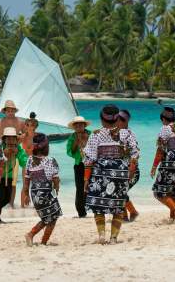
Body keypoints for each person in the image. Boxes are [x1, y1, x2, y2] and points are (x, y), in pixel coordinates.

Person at [83, 104, 138, 244]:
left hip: (100, 174)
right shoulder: (128, 133)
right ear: (117, 119)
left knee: (98, 206)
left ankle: (101, 234)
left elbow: (89, 160)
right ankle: (113, 238)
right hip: (120, 173)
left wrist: (85, 181)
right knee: (118, 207)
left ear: (102, 120)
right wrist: (130, 174)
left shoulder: (95, 134)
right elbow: (135, 155)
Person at [22, 133, 62, 246]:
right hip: (46, 193)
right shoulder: (51, 160)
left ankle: (32, 235)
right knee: (52, 218)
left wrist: (26, 195)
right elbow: (56, 180)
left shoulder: (30, 160)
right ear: (46, 147)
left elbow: (26, 181)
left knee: (46, 218)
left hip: (34, 194)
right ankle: (38, 239)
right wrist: (57, 189)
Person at [0, 127, 27, 224]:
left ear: (16, 139)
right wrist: (4, 154)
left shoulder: (18, 148)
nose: (11, 140)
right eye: (8, 138)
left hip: (9, 176)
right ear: (4, 139)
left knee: (7, 198)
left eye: (13, 138)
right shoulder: (0, 147)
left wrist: (18, 153)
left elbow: (23, 161)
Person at [116, 109, 140, 222]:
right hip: (123, 171)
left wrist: (131, 171)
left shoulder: (129, 134)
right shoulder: (118, 133)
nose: (116, 121)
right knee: (120, 192)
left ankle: (128, 214)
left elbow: (135, 154)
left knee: (119, 192)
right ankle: (130, 213)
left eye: (119, 119)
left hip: (131, 170)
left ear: (125, 121)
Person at [66, 116, 91, 218]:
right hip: (79, 164)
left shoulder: (90, 134)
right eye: (76, 125)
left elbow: (96, 147)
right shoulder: (72, 137)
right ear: (74, 127)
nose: (79, 127)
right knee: (80, 187)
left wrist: (86, 139)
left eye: (81, 124)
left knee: (91, 186)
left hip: (91, 163)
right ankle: (81, 211)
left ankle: (94, 208)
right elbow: (70, 152)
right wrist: (76, 142)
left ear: (84, 125)